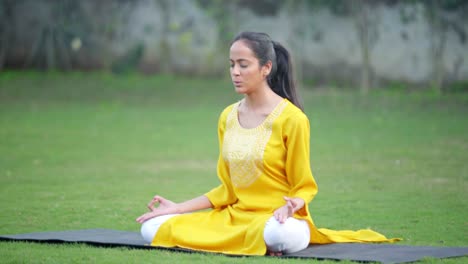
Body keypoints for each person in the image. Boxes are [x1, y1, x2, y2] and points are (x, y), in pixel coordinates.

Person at [136, 31, 398, 256]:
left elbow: (303, 185)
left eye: (243, 64)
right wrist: (178, 208)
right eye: (231, 65)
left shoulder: (292, 119)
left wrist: (294, 204)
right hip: (235, 219)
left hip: (280, 219)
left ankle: (265, 240)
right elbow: (227, 190)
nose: (235, 72)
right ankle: (251, 241)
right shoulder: (227, 117)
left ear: (266, 68)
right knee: (152, 228)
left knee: (277, 235)